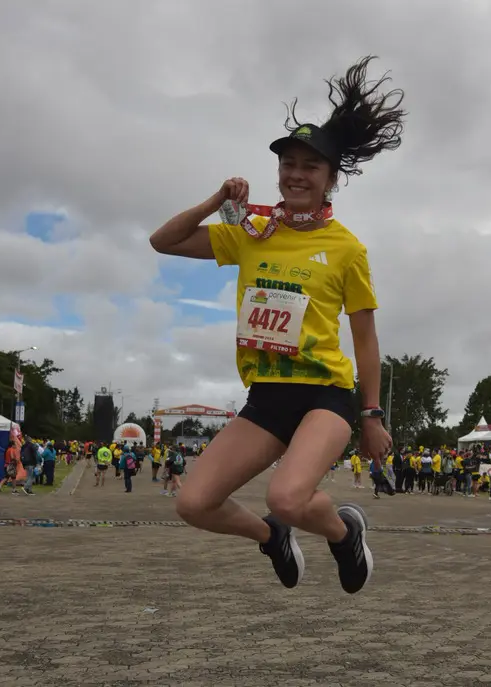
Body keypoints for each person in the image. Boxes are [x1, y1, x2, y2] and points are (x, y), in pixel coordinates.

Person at [150, 56, 399, 593]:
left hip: (324, 397)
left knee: (287, 496)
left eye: (310, 165)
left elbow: (365, 338)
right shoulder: (252, 232)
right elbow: (163, 241)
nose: (295, 174)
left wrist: (372, 413)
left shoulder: (345, 248)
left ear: (331, 179)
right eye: (288, 163)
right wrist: (218, 201)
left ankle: (343, 533)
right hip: (267, 396)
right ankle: (270, 537)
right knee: (193, 503)